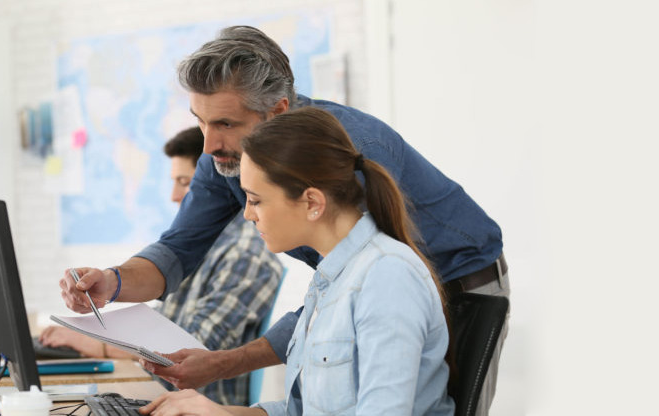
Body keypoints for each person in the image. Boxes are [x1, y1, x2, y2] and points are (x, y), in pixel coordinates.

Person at [60, 26, 508, 414]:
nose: (209, 144)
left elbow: (365, 292)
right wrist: (111, 282)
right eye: (200, 122)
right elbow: (178, 250)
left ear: (276, 111)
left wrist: (224, 367)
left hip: (460, 279)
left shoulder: (351, 166)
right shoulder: (229, 160)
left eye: (226, 124)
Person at [142, 107, 455, 415]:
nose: (248, 214)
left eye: (256, 200)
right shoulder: (329, 279)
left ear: (312, 203)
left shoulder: (387, 277)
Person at [44, 127, 283, 406]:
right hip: (160, 396)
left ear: (215, 186)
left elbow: (190, 349)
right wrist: (94, 324)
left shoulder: (245, 257)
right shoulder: (199, 249)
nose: (173, 195)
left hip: (197, 404)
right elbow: (168, 321)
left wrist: (96, 346)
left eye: (185, 183)